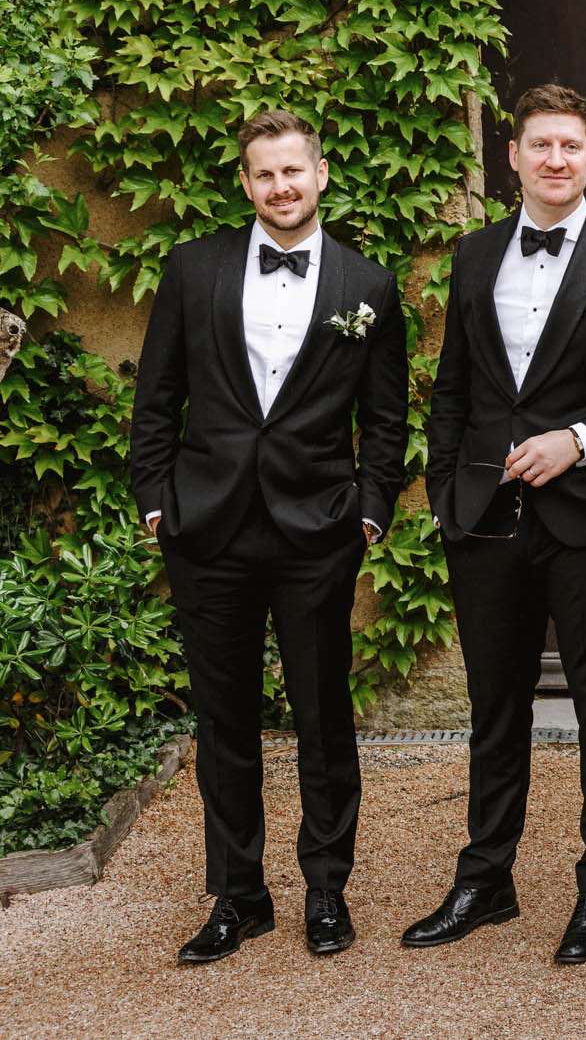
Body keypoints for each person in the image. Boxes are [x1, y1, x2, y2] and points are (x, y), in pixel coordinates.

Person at [130, 109, 407, 963]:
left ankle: (327, 891)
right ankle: (237, 897)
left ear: (320, 175)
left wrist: (368, 511)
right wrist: (155, 502)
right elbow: (157, 396)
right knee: (225, 721)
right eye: (264, 175)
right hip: (207, 529)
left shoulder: (369, 287)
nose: (281, 187)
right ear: (246, 184)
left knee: (324, 718)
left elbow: (387, 420)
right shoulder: (193, 270)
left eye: (294, 171)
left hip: (315, 532)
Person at [405, 84, 586, 965]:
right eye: (539, 145)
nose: (555, 159)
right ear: (512, 157)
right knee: (494, 705)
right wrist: (447, 494)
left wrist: (580, 442)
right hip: (482, 519)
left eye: (571, 146)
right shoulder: (475, 253)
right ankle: (487, 878)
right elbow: (454, 389)